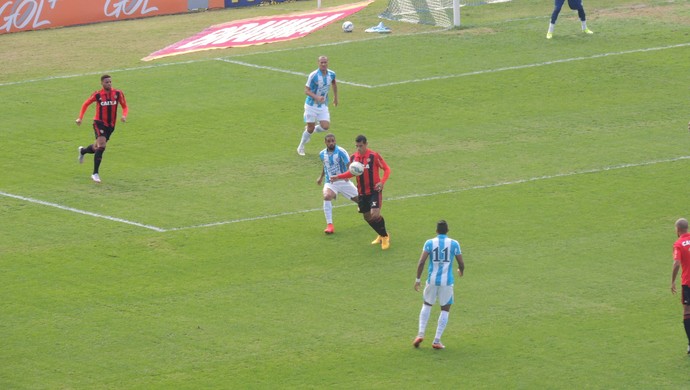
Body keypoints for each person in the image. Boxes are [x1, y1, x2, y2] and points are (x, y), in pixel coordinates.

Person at [331, 135, 391, 249]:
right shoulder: (354, 158)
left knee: (375, 214)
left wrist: (382, 182)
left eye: (361, 146)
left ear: (366, 144)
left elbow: (387, 169)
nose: (359, 148)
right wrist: (338, 177)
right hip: (362, 192)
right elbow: (352, 173)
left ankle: (385, 236)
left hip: (374, 190)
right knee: (367, 217)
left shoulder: (374, 156)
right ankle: (381, 234)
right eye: (357, 146)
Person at [413, 220, 464, 350]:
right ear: (447, 230)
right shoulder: (454, 243)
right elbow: (461, 263)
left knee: (427, 305)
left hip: (431, 280)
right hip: (446, 282)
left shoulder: (429, 243)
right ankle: (436, 340)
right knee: (445, 309)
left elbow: (421, 262)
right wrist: (460, 270)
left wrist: (418, 279)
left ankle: (420, 334)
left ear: (436, 231)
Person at [75, 74, 128, 183]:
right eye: (106, 82)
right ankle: (95, 173)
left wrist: (124, 115)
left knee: (96, 148)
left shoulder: (117, 93)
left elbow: (124, 106)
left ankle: (83, 151)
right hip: (99, 123)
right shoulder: (98, 95)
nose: (109, 83)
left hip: (111, 125)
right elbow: (86, 104)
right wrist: (80, 118)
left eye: (110, 82)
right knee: (102, 146)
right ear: (102, 83)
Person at [317, 134, 359, 234]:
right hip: (331, 182)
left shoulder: (341, 152)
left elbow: (350, 166)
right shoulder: (322, 154)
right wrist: (321, 177)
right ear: (325, 142)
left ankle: (362, 206)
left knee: (363, 203)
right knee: (327, 196)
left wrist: (348, 176)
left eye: (333, 141)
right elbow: (325, 165)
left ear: (335, 141)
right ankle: (330, 226)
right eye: (329, 141)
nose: (331, 143)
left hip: (343, 181)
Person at [297, 55, 338, 156]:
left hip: (323, 105)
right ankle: (301, 146)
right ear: (318, 63)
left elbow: (334, 84)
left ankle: (311, 130)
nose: (323, 64)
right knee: (310, 128)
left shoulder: (331, 74)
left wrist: (335, 97)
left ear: (328, 63)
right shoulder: (314, 75)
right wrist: (316, 97)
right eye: (321, 62)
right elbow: (306, 90)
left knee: (325, 126)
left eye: (325, 62)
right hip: (311, 105)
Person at [671, 218, 690, 354]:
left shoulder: (678, 244)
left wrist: (672, 281)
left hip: (688, 283)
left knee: (687, 312)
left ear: (677, 230)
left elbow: (676, 263)